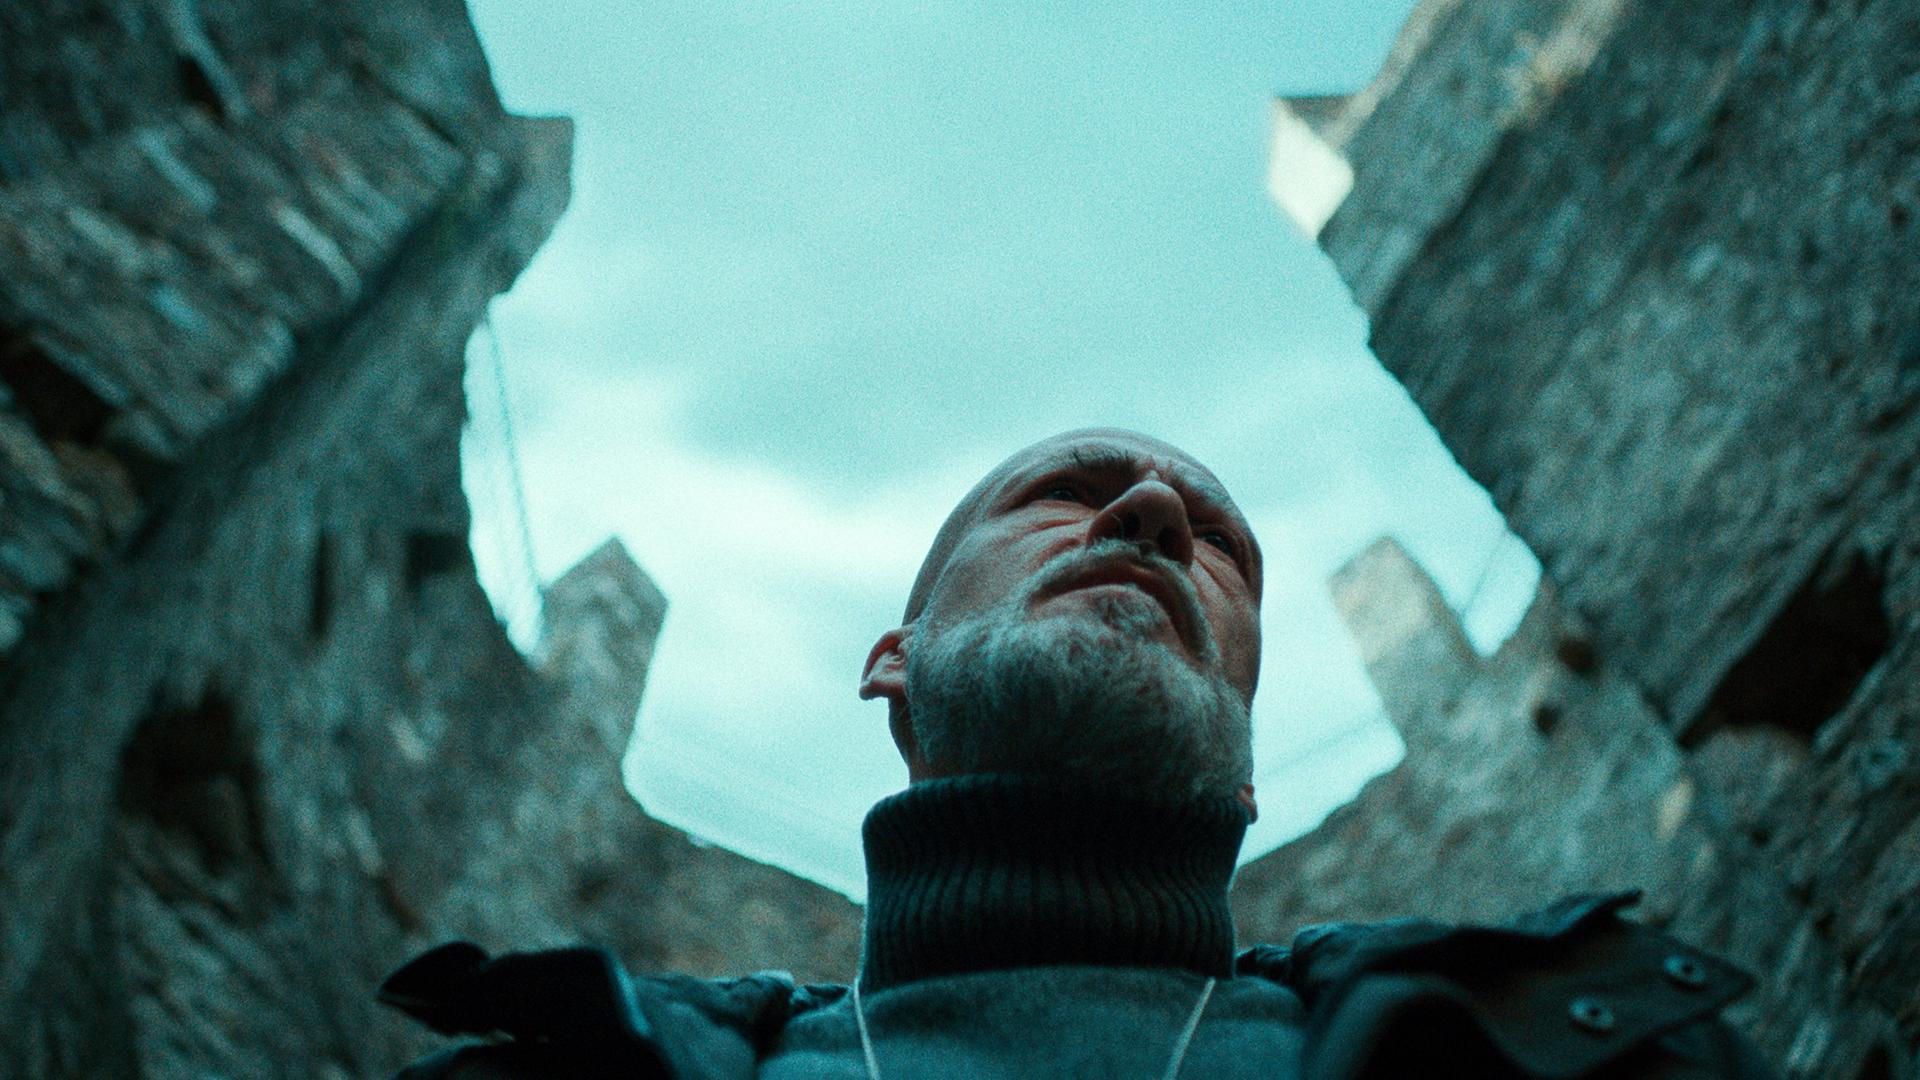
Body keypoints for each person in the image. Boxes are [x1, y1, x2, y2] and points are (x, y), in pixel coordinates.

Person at [380, 429, 1776, 1078]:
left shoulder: (1594, 1050)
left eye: (1220, 548)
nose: (1157, 513)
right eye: (1065, 494)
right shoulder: (572, 1078)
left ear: (1244, 758)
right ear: (895, 661)